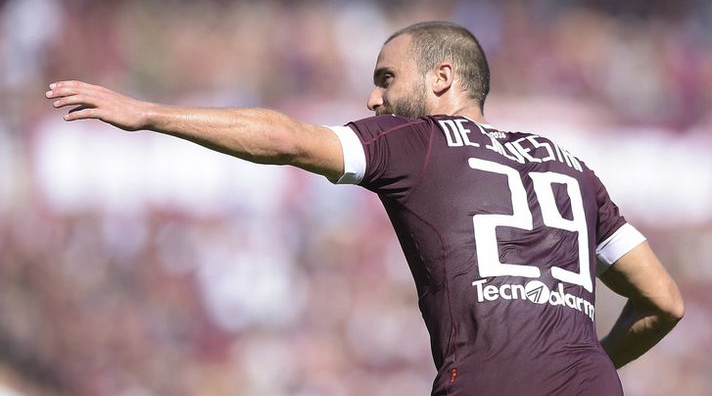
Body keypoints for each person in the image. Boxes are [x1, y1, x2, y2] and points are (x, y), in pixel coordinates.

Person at [45, 21, 683, 395]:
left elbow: (286, 139)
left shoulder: (419, 141)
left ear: (441, 79)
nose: (374, 100)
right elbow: (664, 303)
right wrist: (579, 369)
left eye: (385, 79)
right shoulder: (571, 166)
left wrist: (149, 113)